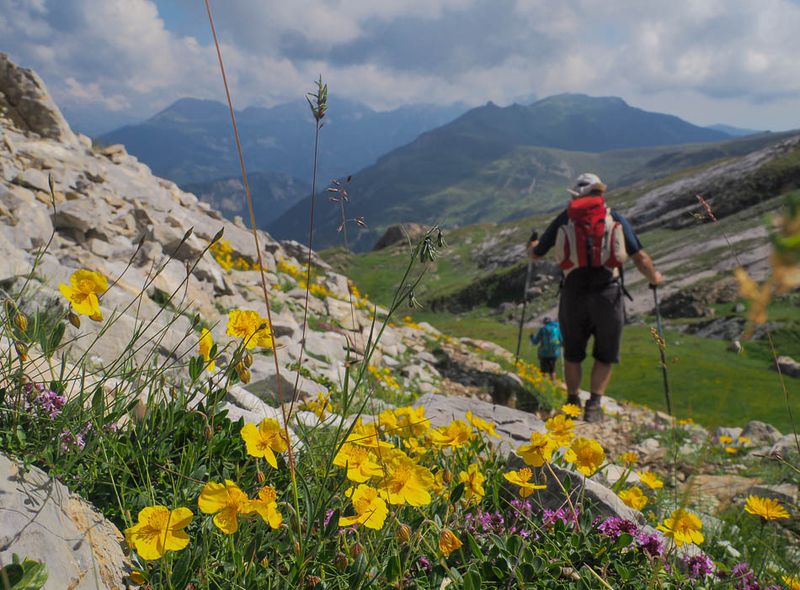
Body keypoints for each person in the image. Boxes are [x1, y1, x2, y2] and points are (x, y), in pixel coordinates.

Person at [528, 173, 662, 422]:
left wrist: (532, 244)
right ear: (599, 192)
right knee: (605, 353)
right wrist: (655, 278)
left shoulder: (565, 218)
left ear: (577, 194)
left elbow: (537, 253)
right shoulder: (614, 217)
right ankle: (594, 406)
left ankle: (572, 402)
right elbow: (640, 258)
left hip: (573, 295)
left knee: (572, 352)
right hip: (607, 294)